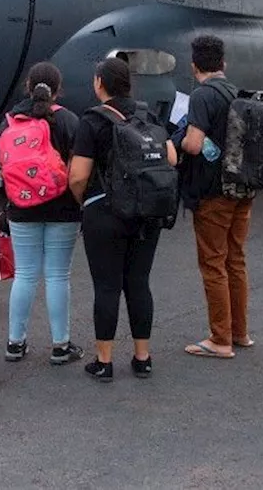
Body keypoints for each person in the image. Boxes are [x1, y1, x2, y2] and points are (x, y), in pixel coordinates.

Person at [68, 58, 177, 382]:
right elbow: (171, 157)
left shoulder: (93, 120)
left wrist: (84, 200)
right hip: (147, 211)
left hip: (106, 211)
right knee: (139, 283)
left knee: (107, 286)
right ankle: (142, 357)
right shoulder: (147, 114)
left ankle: (104, 362)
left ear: (99, 82)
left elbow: (77, 175)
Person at [0, 62, 84, 364]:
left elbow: (2, 167)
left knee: (25, 274)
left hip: (21, 208)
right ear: (58, 90)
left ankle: (15, 342)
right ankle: (61, 345)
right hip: (63, 209)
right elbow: (78, 171)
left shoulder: (9, 122)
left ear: (28, 87)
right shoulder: (70, 121)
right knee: (58, 275)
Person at [177, 34, 252, 359]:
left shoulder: (202, 96)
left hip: (212, 192)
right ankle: (240, 332)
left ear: (194, 66)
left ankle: (219, 338)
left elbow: (194, 144)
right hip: (242, 188)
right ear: (223, 64)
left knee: (212, 262)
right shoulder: (236, 93)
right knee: (235, 259)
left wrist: (176, 139)